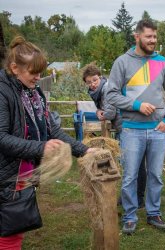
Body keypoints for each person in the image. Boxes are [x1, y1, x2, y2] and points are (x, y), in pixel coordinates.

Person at [0, 36, 95, 249]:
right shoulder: (3, 92)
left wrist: (83, 149)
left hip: (23, 174)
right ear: (15, 68)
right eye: (33, 72)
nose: (38, 77)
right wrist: (41, 147)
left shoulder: (34, 93)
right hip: (6, 176)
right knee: (9, 236)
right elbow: (1, 138)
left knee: (15, 227)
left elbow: (51, 130)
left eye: (40, 72)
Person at [107, 19, 165, 234]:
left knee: (156, 175)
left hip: (158, 131)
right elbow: (111, 94)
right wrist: (136, 105)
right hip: (130, 130)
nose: (153, 41)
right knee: (130, 176)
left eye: (155, 37)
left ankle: (153, 213)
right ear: (137, 36)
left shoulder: (163, 62)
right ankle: (130, 217)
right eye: (149, 36)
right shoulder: (122, 62)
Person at [82, 64, 146, 208]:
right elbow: (105, 108)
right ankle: (137, 197)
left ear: (100, 77)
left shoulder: (106, 89)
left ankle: (134, 198)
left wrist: (100, 114)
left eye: (94, 80)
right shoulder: (100, 90)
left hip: (127, 127)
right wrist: (100, 110)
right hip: (128, 125)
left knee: (130, 164)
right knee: (137, 163)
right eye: (89, 82)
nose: (92, 84)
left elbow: (110, 113)